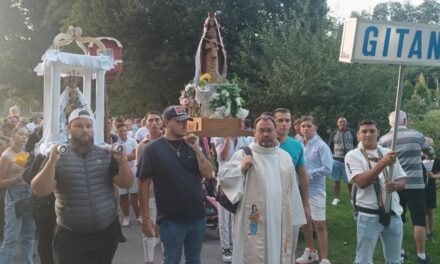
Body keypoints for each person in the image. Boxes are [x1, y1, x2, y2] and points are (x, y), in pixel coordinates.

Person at [31, 108, 133, 264]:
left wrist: (122, 162)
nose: (84, 130)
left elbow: (126, 183)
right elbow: (40, 191)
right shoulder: (58, 155)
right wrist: (51, 161)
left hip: (105, 233)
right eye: (79, 126)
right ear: (68, 128)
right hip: (71, 235)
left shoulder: (105, 154)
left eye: (88, 126)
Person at [218, 115, 306, 263]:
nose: (265, 134)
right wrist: (241, 168)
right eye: (261, 130)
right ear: (255, 133)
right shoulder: (244, 154)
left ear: (275, 132)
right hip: (253, 220)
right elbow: (223, 178)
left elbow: (293, 190)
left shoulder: (285, 157)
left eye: (269, 130)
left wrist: (295, 218)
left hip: (279, 221)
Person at [138, 105, 213, 264]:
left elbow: (209, 174)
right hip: (170, 219)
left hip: (197, 215)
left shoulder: (192, 145)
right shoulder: (152, 149)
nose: (184, 124)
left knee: (194, 259)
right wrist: (145, 218)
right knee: (171, 259)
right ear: (166, 122)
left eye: (186, 121)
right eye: (179, 121)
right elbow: (143, 184)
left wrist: (197, 149)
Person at [345, 119, 406, 263]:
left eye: (372, 131)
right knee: (363, 260)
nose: (368, 134)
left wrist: (396, 186)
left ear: (378, 132)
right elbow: (361, 182)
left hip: (393, 213)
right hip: (369, 214)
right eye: (364, 131)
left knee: (395, 259)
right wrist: (383, 163)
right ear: (358, 135)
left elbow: (403, 180)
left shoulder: (388, 153)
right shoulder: (353, 155)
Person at [379, 111, 434, 264]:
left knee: (397, 218)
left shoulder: (383, 139)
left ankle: (400, 252)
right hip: (416, 184)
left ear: (390, 123)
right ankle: (421, 255)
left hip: (395, 184)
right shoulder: (417, 135)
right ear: (405, 120)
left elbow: (380, 160)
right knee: (418, 219)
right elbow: (431, 153)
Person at [273, 108, 311, 254]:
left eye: (287, 120)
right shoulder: (263, 143)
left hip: (290, 197)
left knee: (289, 243)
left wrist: (306, 204)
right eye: (280, 120)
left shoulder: (296, 145)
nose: (284, 124)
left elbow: (302, 175)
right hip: (269, 199)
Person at [212, 120, 249, 263]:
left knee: (236, 215)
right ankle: (225, 247)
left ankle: (235, 245)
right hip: (225, 180)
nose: (240, 127)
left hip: (239, 178)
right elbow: (222, 156)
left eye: (240, 124)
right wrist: (228, 137)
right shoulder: (219, 137)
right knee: (224, 216)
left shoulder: (244, 138)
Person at [296, 116, 333, 264]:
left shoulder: (321, 146)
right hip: (300, 189)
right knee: (305, 222)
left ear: (315, 127)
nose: (305, 128)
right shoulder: (299, 144)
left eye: (309, 126)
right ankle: (311, 252)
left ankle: (324, 258)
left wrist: (307, 174)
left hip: (316, 190)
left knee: (319, 224)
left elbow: (328, 168)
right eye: (303, 126)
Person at [0, 124, 35, 264]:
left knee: (29, 235)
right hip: (14, 197)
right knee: (11, 238)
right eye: (21, 134)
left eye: (26, 135)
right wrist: (18, 177)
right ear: (13, 135)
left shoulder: (27, 153)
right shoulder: (6, 156)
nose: (24, 138)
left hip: (29, 195)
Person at [136, 111, 163, 264]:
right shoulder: (142, 146)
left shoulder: (170, 141)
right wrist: (141, 200)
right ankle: (149, 261)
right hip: (150, 194)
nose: (154, 123)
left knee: (167, 230)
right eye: (151, 120)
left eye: (157, 120)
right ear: (145, 124)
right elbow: (140, 176)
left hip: (167, 194)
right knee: (149, 229)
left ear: (162, 122)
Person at [328, 117, 357, 205]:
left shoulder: (351, 132)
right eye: (340, 122)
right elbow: (330, 146)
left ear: (346, 123)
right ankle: (336, 198)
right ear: (338, 124)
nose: (342, 123)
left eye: (344, 121)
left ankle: (352, 199)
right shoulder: (334, 133)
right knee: (336, 180)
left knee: (350, 181)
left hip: (349, 161)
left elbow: (356, 144)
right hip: (336, 160)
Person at [116, 123, 140, 227]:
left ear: (127, 131)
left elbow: (136, 155)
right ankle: (126, 217)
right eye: (121, 131)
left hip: (132, 169)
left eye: (125, 130)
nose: (123, 133)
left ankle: (139, 216)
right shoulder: (115, 142)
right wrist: (125, 158)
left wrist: (124, 158)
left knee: (135, 194)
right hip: (120, 171)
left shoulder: (133, 141)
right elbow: (115, 157)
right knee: (123, 195)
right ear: (117, 132)